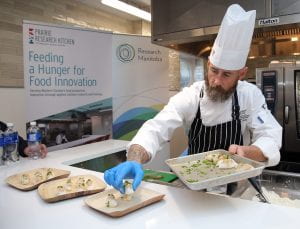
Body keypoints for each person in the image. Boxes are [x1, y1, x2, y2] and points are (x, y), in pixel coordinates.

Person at [104, 4, 282, 193]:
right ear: (209, 64)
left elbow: (270, 135)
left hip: (237, 190)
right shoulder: (191, 96)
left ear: (241, 74)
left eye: (226, 75)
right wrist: (134, 159)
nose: (216, 81)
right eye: (214, 70)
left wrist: (248, 153)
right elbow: (155, 128)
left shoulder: (250, 95)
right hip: (195, 190)